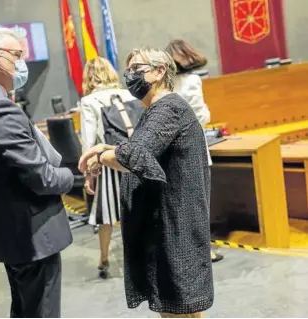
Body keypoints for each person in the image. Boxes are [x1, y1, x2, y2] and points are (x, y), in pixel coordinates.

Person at [79, 48, 214, 318]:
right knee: (183, 308)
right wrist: (107, 147)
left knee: (178, 307)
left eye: (137, 69)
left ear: (160, 71)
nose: (130, 75)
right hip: (169, 222)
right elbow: (142, 147)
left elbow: (135, 155)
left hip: (174, 225)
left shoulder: (169, 108)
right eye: (128, 70)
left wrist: (101, 157)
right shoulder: (158, 108)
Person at [0, 27, 74, 318]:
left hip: (10, 232)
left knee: (25, 309)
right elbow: (43, 178)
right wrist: (71, 176)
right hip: (31, 234)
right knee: (41, 310)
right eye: (17, 55)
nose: (22, 62)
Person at [80, 57, 139, 278]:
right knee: (138, 209)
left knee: (106, 214)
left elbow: (88, 141)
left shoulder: (89, 101)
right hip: (136, 159)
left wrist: (88, 174)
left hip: (110, 161)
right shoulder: (129, 94)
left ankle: (104, 258)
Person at [167, 39, 223, 263]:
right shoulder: (192, 81)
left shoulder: (167, 84)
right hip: (192, 149)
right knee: (199, 203)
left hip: (170, 150)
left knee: (178, 204)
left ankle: (182, 251)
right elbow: (200, 116)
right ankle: (204, 251)